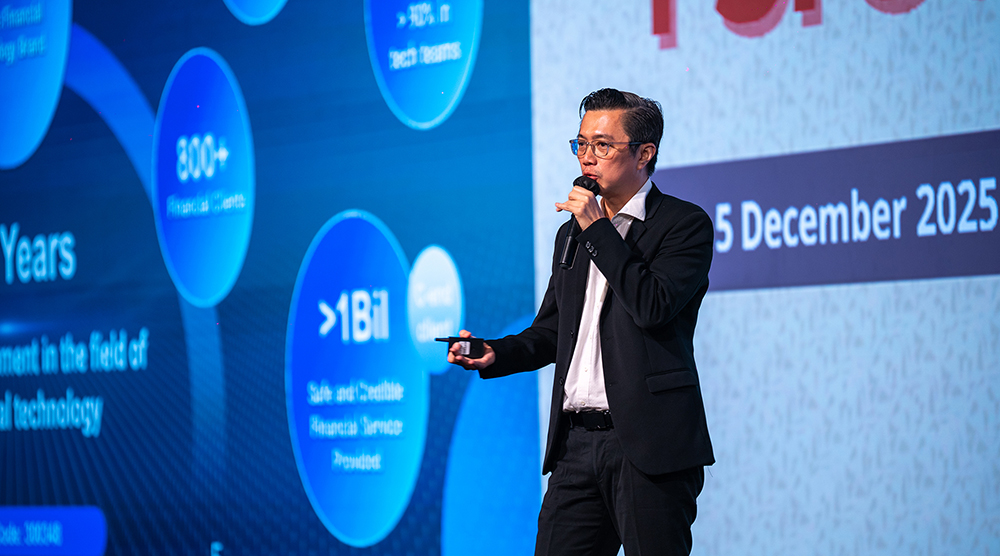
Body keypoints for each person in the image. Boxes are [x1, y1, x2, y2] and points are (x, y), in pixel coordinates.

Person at [449, 88, 714, 556]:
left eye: (602, 145)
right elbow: (553, 330)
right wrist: (496, 353)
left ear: (644, 154)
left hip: (649, 447)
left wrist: (597, 229)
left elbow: (652, 305)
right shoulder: (571, 234)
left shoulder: (683, 225)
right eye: (581, 144)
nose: (587, 157)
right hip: (575, 447)